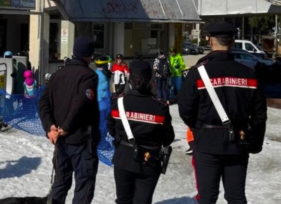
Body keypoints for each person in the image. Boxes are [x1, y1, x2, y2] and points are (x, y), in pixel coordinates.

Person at [178, 21, 267, 204]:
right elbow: (259, 114)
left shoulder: (197, 73)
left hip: (206, 143)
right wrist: (254, 142)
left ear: (210, 41)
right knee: (236, 197)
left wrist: (199, 130)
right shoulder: (248, 73)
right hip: (239, 142)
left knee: (207, 198)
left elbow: (185, 109)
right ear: (233, 42)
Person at [39, 36, 100, 204]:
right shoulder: (89, 76)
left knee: (60, 184)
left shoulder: (57, 75)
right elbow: (81, 102)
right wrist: (65, 126)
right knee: (84, 185)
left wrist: (50, 127)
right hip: (80, 140)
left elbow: (43, 102)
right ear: (89, 55)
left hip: (60, 140)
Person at [108, 59, 175, 204]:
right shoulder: (160, 107)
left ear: (130, 78)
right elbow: (168, 138)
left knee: (123, 200)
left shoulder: (118, 103)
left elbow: (111, 128)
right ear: (150, 80)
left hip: (123, 158)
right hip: (148, 160)